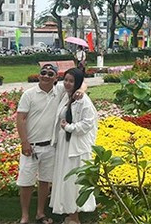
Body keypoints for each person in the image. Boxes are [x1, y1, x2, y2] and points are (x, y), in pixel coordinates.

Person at [16, 64, 87, 224]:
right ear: (38, 75)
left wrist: (81, 91)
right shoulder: (29, 94)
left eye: (50, 74)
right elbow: (20, 119)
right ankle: (25, 216)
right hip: (31, 146)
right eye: (43, 73)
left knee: (45, 181)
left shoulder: (60, 91)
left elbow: (80, 82)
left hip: (50, 146)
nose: (46, 76)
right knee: (26, 182)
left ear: (56, 78)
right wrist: (24, 142)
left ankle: (40, 213)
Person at [50, 68, 97, 224]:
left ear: (77, 82)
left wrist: (70, 128)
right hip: (65, 146)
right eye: (66, 80)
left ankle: (74, 216)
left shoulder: (83, 101)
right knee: (66, 179)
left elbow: (87, 124)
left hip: (76, 149)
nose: (68, 83)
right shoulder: (66, 96)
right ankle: (69, 214)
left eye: (72, 81)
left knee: (74, 182)